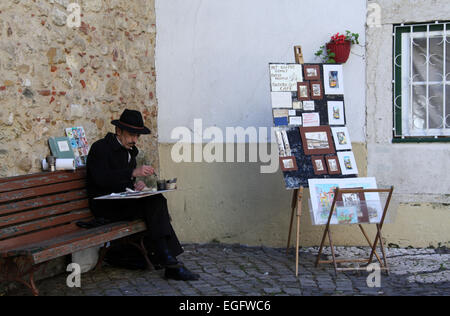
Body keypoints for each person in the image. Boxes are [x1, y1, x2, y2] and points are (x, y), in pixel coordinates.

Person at [86, 109, 199, 281]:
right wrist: (132, 173)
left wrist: (135, 185)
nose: (135, 140)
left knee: (155, 198)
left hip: (121, 201)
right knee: (154, 204)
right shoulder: (100, 148)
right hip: (104, 206)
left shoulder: (130, 151)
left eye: (137, 136)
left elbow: (123, 180)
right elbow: (100, 178)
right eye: (132, 135)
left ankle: (169, 260)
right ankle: (169, 261)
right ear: (118, 131)